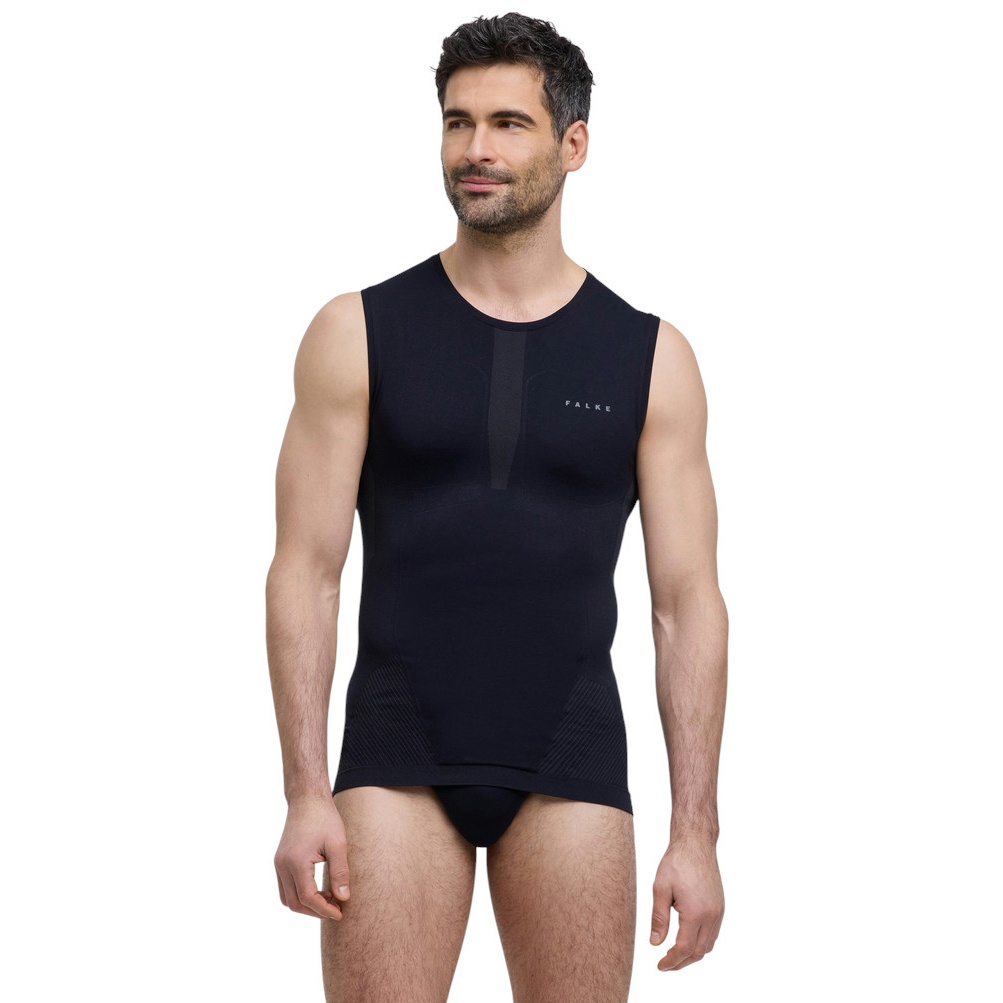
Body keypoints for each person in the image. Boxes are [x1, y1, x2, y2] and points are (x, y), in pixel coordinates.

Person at [266, 12, 727, 1001]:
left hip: (571, 757)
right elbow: (305, 570)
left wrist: (696, 830)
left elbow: (686, 604)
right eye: (457, 121)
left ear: (573, 143)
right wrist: (304, 790)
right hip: (394, 760)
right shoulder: (355, 331)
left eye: (508, 123)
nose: (475, 148)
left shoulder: (650, 357)